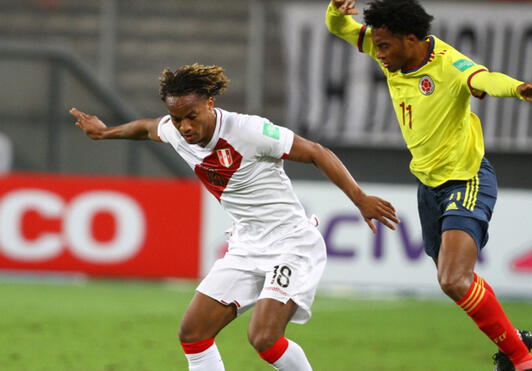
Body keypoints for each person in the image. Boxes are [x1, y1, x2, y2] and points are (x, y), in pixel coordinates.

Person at [70, 63, 400, 371]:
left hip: (291, 244)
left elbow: (316, 152)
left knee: (263, 338)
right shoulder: (175, 129)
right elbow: (145, 128)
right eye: (176, 117)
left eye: (191, 116)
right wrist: (105, 132)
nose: (184, 126)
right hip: (246, 247)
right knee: (193, 334)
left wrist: (360, 198)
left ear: (210, 103)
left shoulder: (249, 131)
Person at [326, 1, 532, 370]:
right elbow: (342, 28)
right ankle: (514, 341)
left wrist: (517, 89)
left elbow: (484, 78)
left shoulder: (449, 64)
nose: (378, 54)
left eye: (384, 46)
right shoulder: (387, 50)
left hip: (467, 178)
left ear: (412, 39)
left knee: (453, 279)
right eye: (377, 46)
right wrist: (336, 9)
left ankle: (526, 363)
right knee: (455, 280)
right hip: (428, 185)